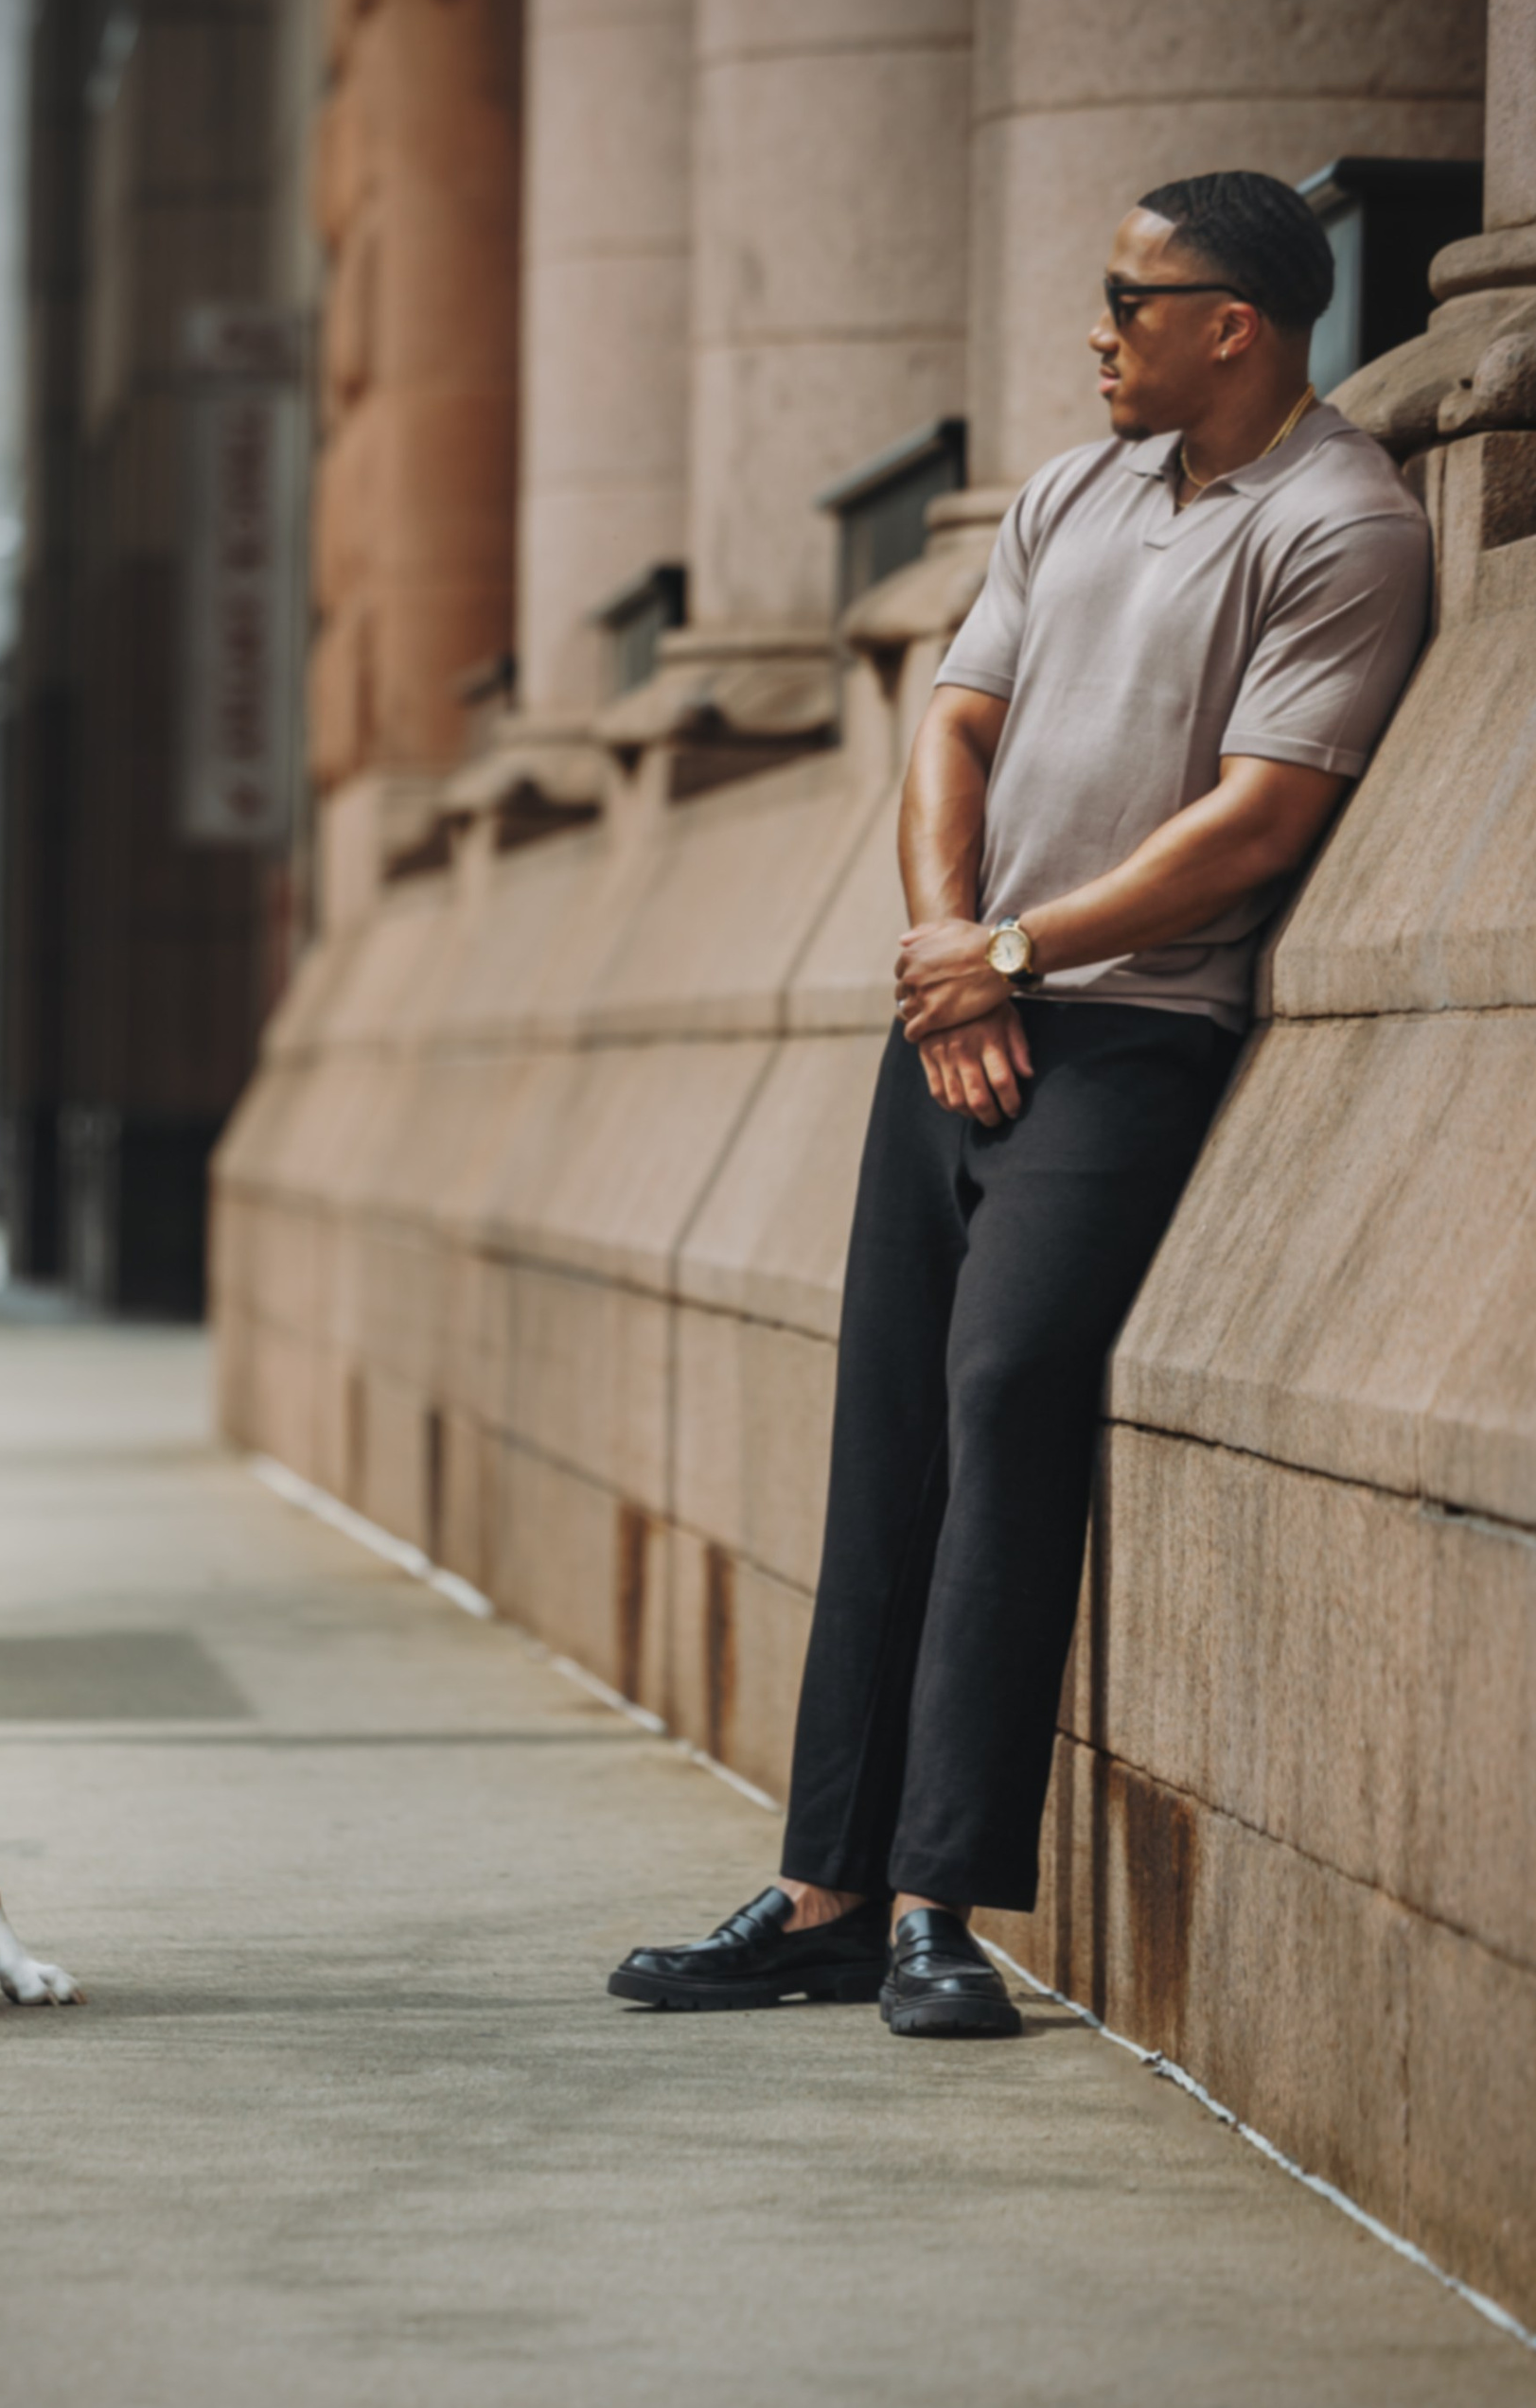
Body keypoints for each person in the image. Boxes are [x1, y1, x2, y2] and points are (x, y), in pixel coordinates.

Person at [610, 169, 1432, 2038]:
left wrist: (1023, 956)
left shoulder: (1340, 524)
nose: (1092, 330)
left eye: (1122, 300)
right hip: (961, 1013)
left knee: (1002, 1404)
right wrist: (945, 949)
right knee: (886, 1418)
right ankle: (823, 1889)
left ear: (1229, 322)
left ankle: (931, 1903)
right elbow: (949, 725)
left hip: (1129, 1034)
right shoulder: (1071, 493)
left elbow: (1257, 817)